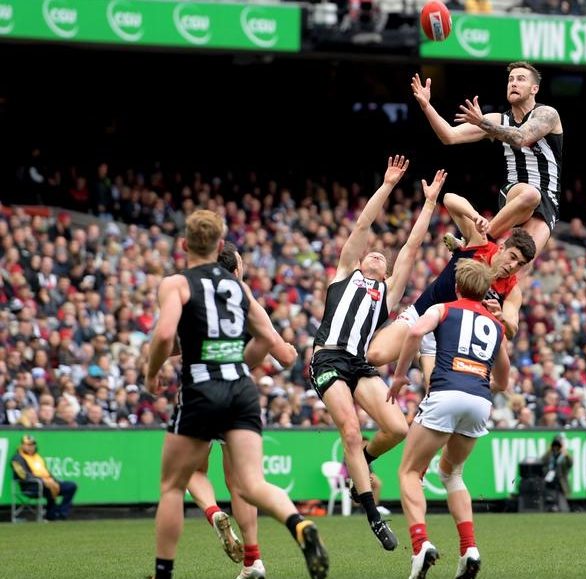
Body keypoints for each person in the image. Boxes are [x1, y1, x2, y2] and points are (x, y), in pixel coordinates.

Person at [146, 210, 327, 579]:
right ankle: (299, 525)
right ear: (220, 246)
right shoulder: (238, 289)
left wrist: (152, 372)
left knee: (173, 486)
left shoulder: (176, 284)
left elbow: (164, 335)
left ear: (184, 245)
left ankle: (164, 572)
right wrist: (239, 362)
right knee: (251, 484)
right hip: (240, 389)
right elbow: (271, 341)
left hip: (201, 388)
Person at [310, 155, 446, 551]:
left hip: (358, 364)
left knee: (398, 429)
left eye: (382, 259)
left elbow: (412, 246)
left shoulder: (387, 293)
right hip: (328, 358)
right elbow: (363, 225)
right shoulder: (344, 274)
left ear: (386, 275)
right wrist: (387, 185)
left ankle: (362, 465)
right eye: (372, 254)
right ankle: (372, 514)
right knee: (350, 430)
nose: (377, 255)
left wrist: (429, 203)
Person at [388, 258, 511, 579]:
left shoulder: (442, 309)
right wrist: (478, 381)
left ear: (457, 286)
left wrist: (399, 375)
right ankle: (469, 549)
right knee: (452, 473)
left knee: (409, 472)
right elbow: (503, 380)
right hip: (480, 401)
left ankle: (420, 545)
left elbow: (415, 331)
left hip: (446, 393)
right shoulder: (496, 325)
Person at [184, 242, 299, 579]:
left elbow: (171, 342)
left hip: (200, 388)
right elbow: (283, 355)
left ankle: (213, 512)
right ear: (235, 269)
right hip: (236, 391)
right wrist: (288, 350)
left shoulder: (191, 292)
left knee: (191, 470)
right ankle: (253, 560)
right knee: (241, 483)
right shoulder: (242, 295)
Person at [367, 191, 536, 385]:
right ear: (502, 247)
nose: (513, 266)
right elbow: (448, 199)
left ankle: (423, 358)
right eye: (513, 257)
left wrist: (502, 318)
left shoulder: (512, 290)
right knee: (375, 355)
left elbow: (512, 329)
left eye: (520, 264)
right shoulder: (480, 243)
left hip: (446, 339)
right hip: (422, 313)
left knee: (436, 390)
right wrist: (475, 216)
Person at [411, 62, 563, 259]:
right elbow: (449, 136)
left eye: (520, 79)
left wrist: (482, 122)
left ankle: (475, 245)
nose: (513, 83)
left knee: (522, 261)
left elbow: (521, 138)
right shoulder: (498, 119)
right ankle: (479, 240)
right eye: (510, 79)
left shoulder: (547, 114)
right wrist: (426, 106)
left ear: (535, 89)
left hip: (549, 198)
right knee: (531, 195)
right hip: (515, 191)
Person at [11, 434, 78, 521]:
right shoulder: (17, 458)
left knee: (71, 486)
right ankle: (51, 514)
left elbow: (45, 472)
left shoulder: (38, 457)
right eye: (28, 445)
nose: (30, 447)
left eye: (32, 445)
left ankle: (61, 514)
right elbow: (23, 475)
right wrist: (42, 480)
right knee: (48, 486)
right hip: (31, 485)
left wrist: (53, 480)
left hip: (47, 482)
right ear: (22, 445)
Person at [540, 435, 573, 512]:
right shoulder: (549, 454)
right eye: (555, 445)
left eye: (558, 445)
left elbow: (570, 463)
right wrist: (549, 451)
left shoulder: (564, 456)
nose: (556, 447)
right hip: (549, 484)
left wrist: (565, 454)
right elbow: (541, 462)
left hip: (560, 485)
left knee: (563, 509)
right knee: (548, 506)